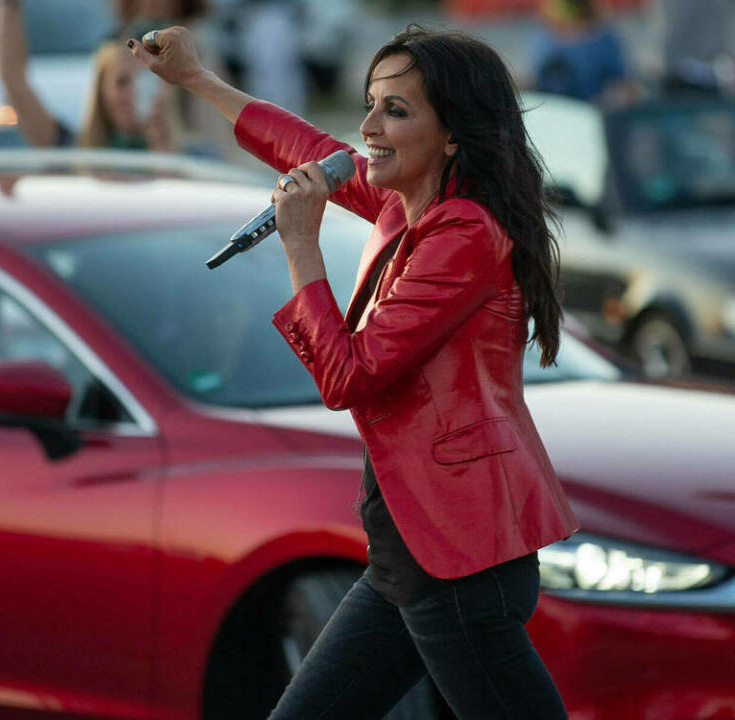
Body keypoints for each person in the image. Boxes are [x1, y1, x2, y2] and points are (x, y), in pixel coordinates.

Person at [128, 23, 578, 719]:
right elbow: (313, 149)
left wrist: (301, 243)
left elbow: (350, 377)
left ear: (452, 134)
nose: (368, 125)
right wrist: (195, 81)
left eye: (395, 110)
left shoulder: (463, 236)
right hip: (411, 558)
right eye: (369, 104)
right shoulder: (409, 205)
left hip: (457, 564)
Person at [0, 0, 173, 151]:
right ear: (102, 87)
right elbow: (13, 81)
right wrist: (8, 5)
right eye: (122, 82)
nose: (133, 94)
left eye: (146, 81)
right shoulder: (75, 154)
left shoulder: (192, 162)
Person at [528, 0, 630, 103]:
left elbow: (623, 85)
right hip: (554, 110)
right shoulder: (543, 39)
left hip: (590, 109)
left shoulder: (604, 41)